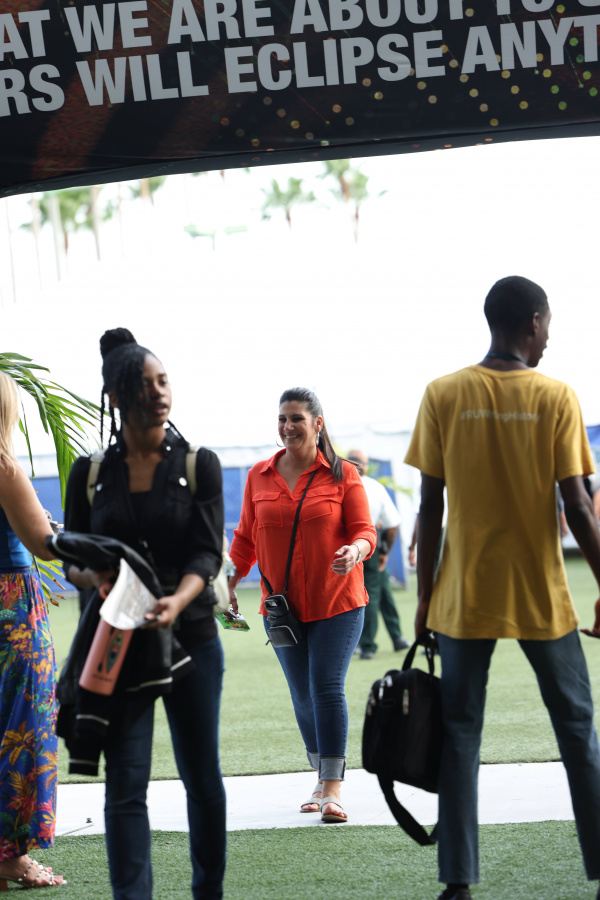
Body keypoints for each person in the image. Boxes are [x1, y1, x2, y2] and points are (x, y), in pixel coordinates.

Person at [404, 275, 600, 900]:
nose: (549, 338)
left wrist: (425, 598)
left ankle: (457, 884)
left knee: (461, 735)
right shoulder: (556, 396)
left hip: (464, 597)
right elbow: (579, 507)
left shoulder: (442, 393)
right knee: (578, 732)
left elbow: (429, 508)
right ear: (533, 323)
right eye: (549, 326)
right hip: (542, 595)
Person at [62, 328, 225, 900]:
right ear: (116, 395)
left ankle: (209, 892)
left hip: (192, 637)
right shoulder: (89, 472)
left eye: (164, 381)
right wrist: (95, 579)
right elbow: (73, 558)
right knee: (126, 785)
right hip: (119, 645)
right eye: (144, 384)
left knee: (201, 777)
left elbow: (207, 554)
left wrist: (176, 601)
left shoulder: (200, 464)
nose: (159, 392)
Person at [227, 387, 376, 823]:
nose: (288, 426)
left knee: (326, 687)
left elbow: (365, 530)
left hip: (338, 601)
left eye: (296, 418)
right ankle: (320, 776)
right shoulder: (259, 476)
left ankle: (333, 788)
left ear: (317, 423)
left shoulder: (344, 474)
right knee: (303, 695)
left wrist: (356, 551)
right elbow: (245, 539)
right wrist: (229, 584)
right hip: (282, 609)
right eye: (282, 418)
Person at [0, 371, 66, 890]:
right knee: (22, 728)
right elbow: (45, 544)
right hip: (13, 613)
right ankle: (11, 857)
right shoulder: (5, 468)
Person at [347, 450, 409, 658]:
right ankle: (367, 645)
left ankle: (396, 638)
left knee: (381, 591)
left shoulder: (337, 484)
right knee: (373, 595)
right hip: (370, 546)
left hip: (346, 547)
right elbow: (393, 526)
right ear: (364, 466)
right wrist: (384, 553)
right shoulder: (374, 487)